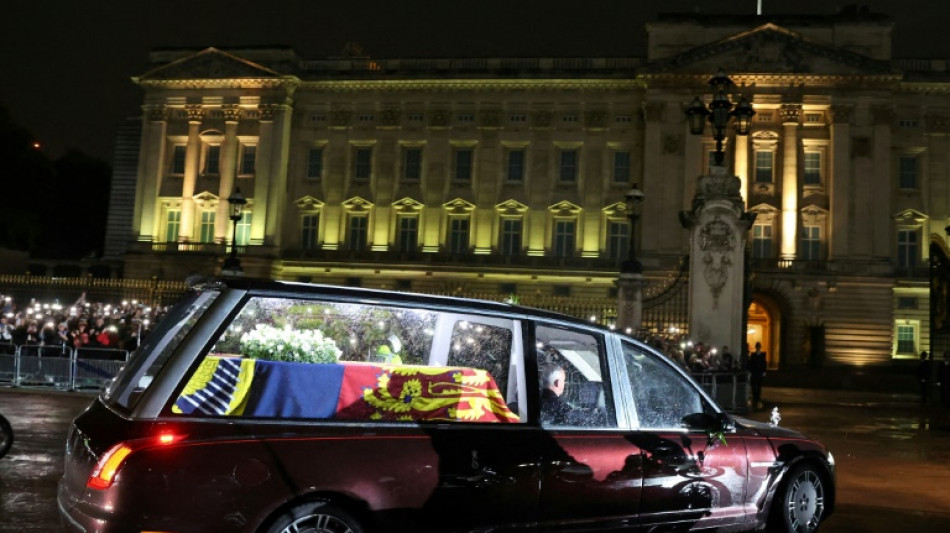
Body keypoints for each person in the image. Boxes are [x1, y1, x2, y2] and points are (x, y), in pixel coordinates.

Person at [748, 342, 767, 410]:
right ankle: (755, 396)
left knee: (759, 385)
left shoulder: (763, 354)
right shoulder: (753, 354)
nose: (758, 348)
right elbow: (751, 364)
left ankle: (757, 397)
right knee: (754, 385)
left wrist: (764, 371)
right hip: (754, 372)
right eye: (757, 346)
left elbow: (764, 363)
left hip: (759, 372)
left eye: (758, 346)